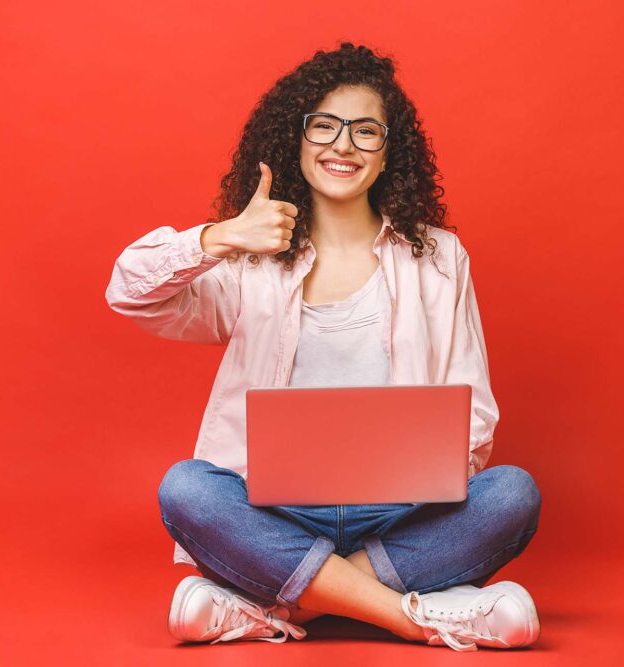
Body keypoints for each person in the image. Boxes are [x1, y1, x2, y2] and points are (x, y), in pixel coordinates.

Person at [104, 42, 542, 652]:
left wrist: (417, 472)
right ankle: (410, 615)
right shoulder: (249, 261)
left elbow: (476, 416)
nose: (343, 145)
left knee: (513, 493)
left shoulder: (440, 258)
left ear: (390, 152)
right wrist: (221, 236)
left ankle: (273, 605)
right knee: (187, 489)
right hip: (273, 512)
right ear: (297, 138)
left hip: (398, 512)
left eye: (366, 131)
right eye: (326, 126)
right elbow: (129, 293)